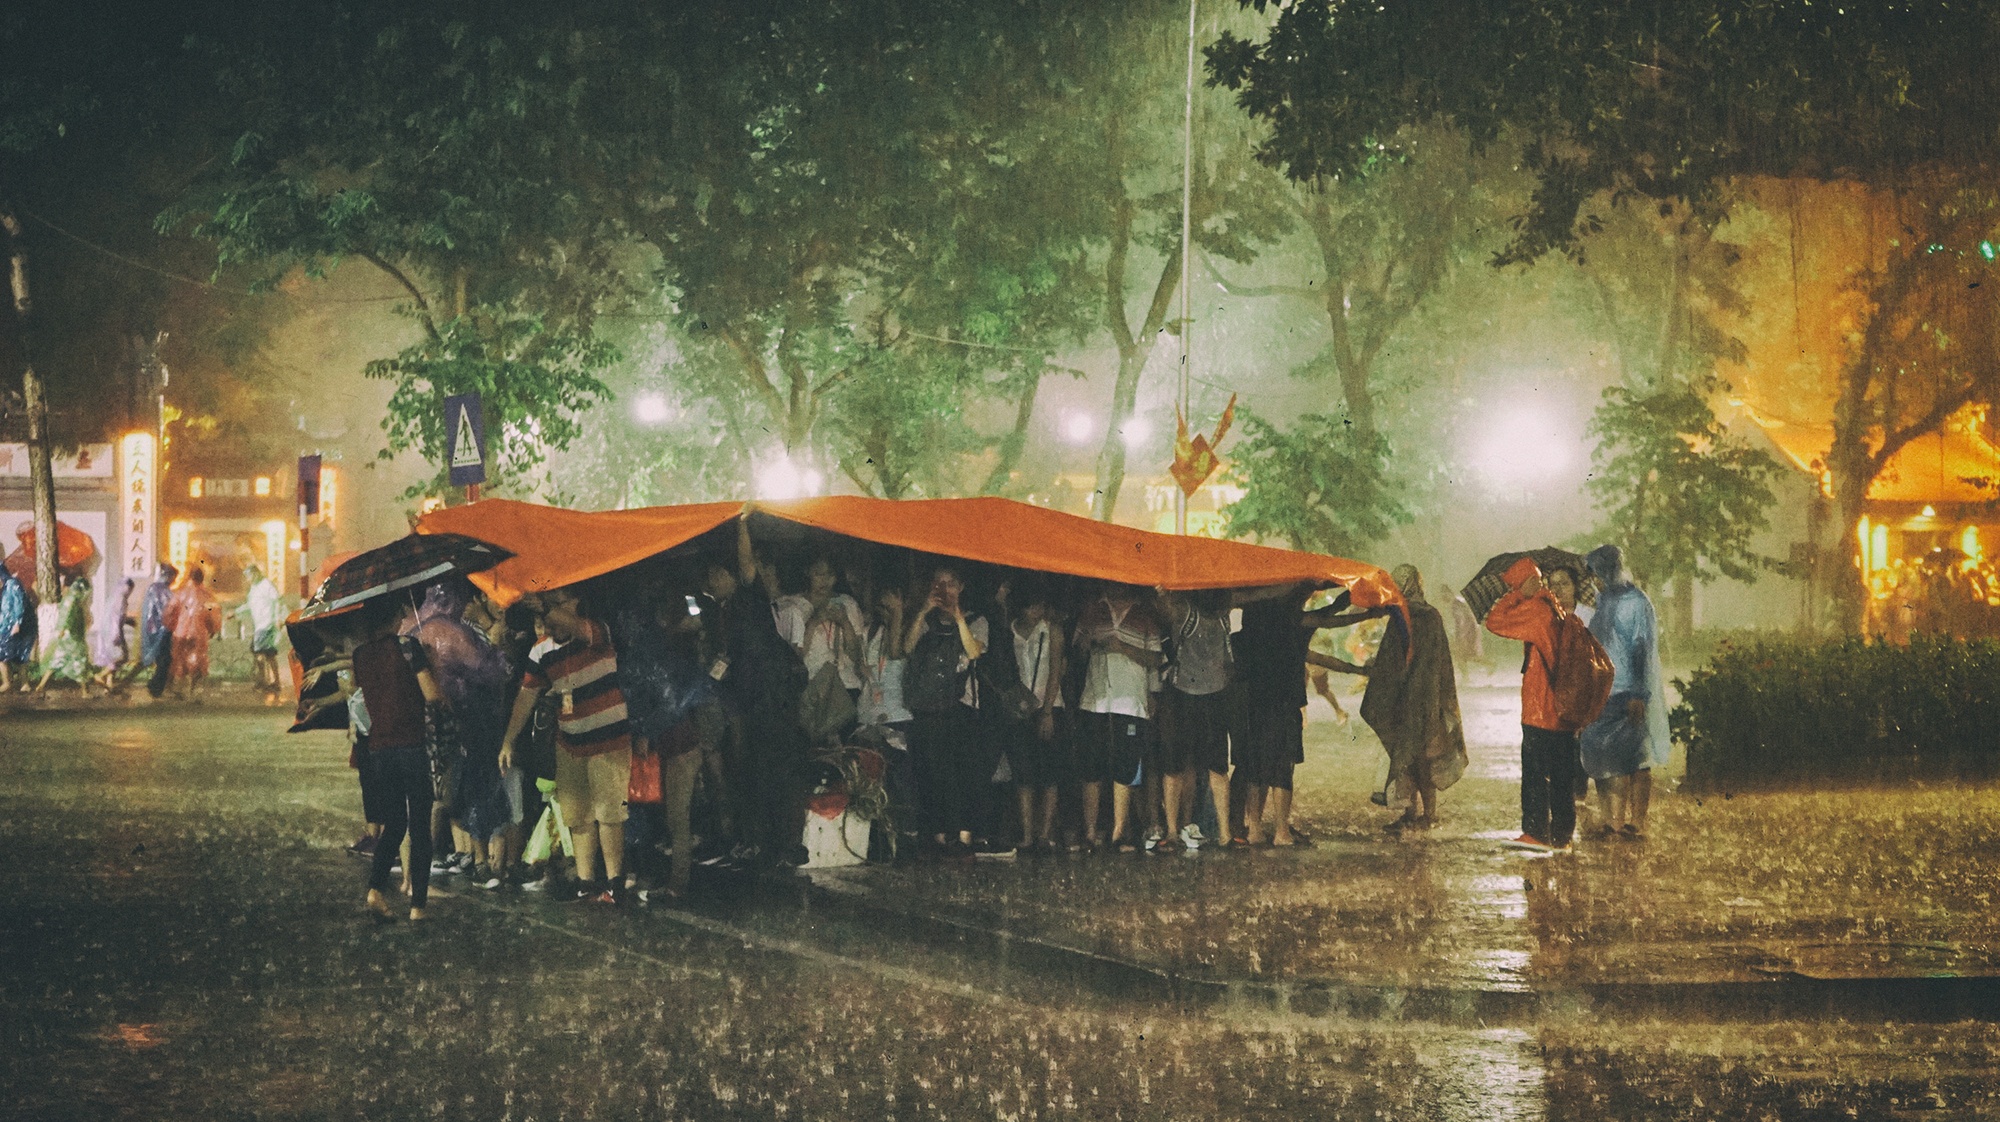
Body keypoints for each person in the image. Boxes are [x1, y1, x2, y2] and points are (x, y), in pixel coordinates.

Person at [499, 588, 635, 903]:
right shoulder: (541, 649)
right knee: (578, 815)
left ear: (575, 602)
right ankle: (586, 883)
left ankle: (615, 881)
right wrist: (508, 740)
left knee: (610, 812)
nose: (548, 618)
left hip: (608, 739)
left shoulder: (595, 630)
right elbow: (526, 695)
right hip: (570, 741)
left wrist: (544, 605)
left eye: (558, 604)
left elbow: (575, 627)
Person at [1345, 566, 1468, 831]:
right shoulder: (1429, 615)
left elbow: (1395, 659)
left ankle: (1423, 813)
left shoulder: (1409, 615)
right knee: (1415, 755)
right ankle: (1417, 813)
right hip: (1425, 696)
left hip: (1410, 698)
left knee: (1414, 756)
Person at [353, 602, 448, 922]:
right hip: (411, 745)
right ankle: (418, 906)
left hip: (379, 749)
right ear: (394, 618)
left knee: (393, 823)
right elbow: (431, 694)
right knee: (420, 826)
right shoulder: (409, 647)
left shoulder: (361, 655)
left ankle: (375, 889)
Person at [1484, 558, 1578, 852]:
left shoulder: (1536, 610)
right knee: (1562, 775)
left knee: (1536, 773)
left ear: (1525, 583)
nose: (1512, 590)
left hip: (1540, 708)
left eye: (1514, 585)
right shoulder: (1555, 608)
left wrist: (1516, 596)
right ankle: (1562, 836)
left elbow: (1494, 621)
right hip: (1561, 709)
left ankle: (1536, 833)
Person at [1581, 544, 1671, 838]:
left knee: (1636, 759)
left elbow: (1642, 648)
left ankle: (1637, 822)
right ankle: (1611, 821)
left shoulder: (1636, 601)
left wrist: (1639, 694)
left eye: (1595, 573)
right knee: (1599, 754)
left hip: (1629, 691)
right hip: (1600, 691)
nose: (1593, 579)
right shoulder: (1598, 602)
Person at [902, 563, 991, 855]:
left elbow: (974, 651)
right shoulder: (927, 621)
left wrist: (958, 617)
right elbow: (907, 647)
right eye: (939, 584)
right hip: (929, 705)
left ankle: (964, 834)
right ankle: (939, 834)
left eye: (951, 584)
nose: (945, 590)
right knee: (934, 772)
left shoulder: (977, 619)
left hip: (962, 705)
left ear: (961, 587)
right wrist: (923, 612)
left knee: (962, 772)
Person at [1071, 582, 1163, 853]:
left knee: (1125, 766)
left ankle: (1118, 833)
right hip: (1095, 699)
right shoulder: (1093, 610)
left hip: (1131, 700)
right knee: (1092, 768)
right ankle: (1089, 833)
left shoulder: (1145, 614)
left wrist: (1123, 648)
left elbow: (1156, 659)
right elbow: (1076, 651)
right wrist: (1085, 644)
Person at [1156, 588, 1232, 851]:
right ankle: (1176, 830)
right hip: (1186, 694)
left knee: (1201, 767)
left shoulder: (1218, 613)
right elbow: (1166, 607)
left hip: (1205, 696)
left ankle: (1219, 833)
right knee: (1183, 766)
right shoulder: (1187, 612)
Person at [1000, 580, 1066, 853]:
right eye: (1031, 606)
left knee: (1049, 772)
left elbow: (1055, 672)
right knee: (1023, 773)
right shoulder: (1010, 630)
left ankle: (1044, 833)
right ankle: (1027, 834)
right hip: (1020, 708)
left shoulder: (1051, 630)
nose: (1036, 611)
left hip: (1049, 705)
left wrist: (1048, 711)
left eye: (1040, 605)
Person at [34, 575, 110, 695]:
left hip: (67, 636)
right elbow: (67, 615)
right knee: (80, 662)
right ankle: (85, 691)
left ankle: (41, 685)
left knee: (57, 660)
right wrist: (64, 628)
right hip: (72, 637)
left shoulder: (70, 598)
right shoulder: (73, 599)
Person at [161, 566, 221, 701]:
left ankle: (170, 688)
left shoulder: (180, 593)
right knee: (197, 660)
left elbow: (170, 611)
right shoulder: (207, 596)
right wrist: (213, 629)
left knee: (177, 659)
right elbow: (213, 615)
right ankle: (193, 691)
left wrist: (170, 626)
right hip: (198, 633)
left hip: (181, 632)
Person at [237, 564, 284, 702]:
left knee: (260, 653)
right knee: (268, 654)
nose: (248, 579)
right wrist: (236, 612)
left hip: (267, 624)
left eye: (249, 576)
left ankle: (264, 680)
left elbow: (277, 601)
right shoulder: (254, 588)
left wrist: (277, 619)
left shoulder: (266, 585)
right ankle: (274, 681)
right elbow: (250, 605)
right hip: (260, 625)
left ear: (256, 574)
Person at [135, 562, 176, 698]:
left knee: (162, 660)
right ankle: (155, 688)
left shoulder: (153, 588)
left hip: (154, 629)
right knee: (164, 660)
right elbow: (167, 610)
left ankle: (158, 688)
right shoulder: (162, 590)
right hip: (161, 631)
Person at [0, 565, 30, 692]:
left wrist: (17, 622)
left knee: (20, 655)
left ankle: (24, 683)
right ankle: (7, 681)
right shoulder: (3, 588)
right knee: (2, 655)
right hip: (3, 626)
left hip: (15, 626)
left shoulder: (12, 584)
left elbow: (19, 603)